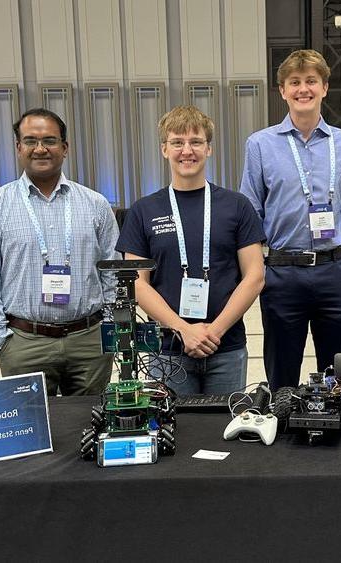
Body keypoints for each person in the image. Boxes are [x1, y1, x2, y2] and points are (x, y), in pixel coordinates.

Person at [240, 49, 341, 390]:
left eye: (311, 81)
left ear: (324, 87)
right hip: (283, 275)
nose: (303, 89)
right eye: (294, 82)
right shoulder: (260, 145)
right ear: (282, 90)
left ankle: (338, 434)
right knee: (282, 373)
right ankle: (284, 429)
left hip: (336, 271)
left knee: (340, 375)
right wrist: (260, 270)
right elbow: (251, 213)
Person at [0, 108, 119, 395]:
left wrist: (108, 327)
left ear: (64, 148)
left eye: (50, 140)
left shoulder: (95, 204)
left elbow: (112, 271)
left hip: (89, 342)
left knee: (88, 424)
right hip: (24, 342)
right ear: (18, 148)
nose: (40, 149)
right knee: (32, 433)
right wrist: (1, 339)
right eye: (30, 141)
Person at [116, 105, 265, 395]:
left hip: (226, 347)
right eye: (177, 142)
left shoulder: (237, 206)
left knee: (223, 431)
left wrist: (214, 331)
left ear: (208, 149)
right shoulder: (144, 210)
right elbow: (138, 283)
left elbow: (255, 276)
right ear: (164, 149)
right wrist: (183, 329)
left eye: (196, 142)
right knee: (172, 433)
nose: (187, 150)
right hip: (167, 352)